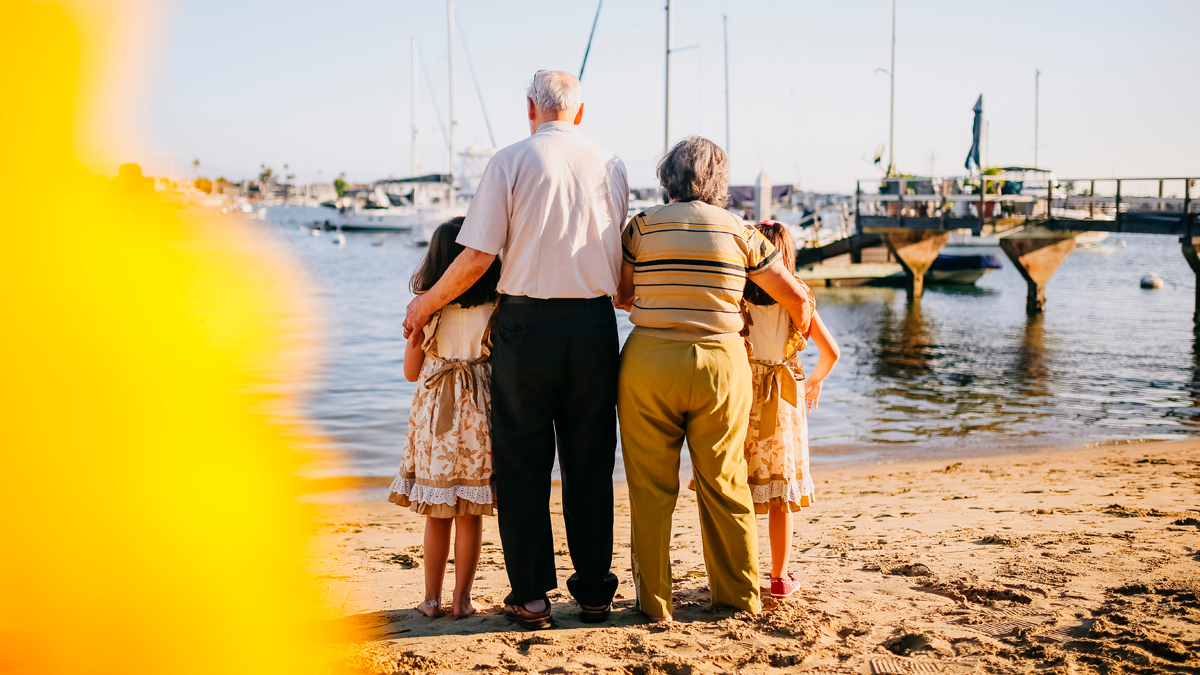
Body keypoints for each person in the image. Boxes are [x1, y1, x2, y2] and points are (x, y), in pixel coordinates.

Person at [401, 70, 629, 629]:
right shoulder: (613, 164)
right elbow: (620, 266)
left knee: (524, 465)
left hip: (525, 327)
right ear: (580, 111)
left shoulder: (509, 161)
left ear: (530, 107)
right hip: (595, 326)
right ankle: (596, 592)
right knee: (590, 463)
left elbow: (477, 257)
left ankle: (529, 596)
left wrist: (426, 303)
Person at [614, 136, 815, 622]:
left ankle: (654, 602)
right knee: (725, 484)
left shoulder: (639, 226)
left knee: (650, 489)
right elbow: (798, 300)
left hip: (648, 364)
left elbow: (621, 295)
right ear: (720, 182)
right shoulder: (742, 233)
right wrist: (794, 345)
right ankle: (736, 597)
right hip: (723, 366)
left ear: (668, 176)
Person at [388, 217, 502, 620]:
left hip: (436, 411)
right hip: (479, 412)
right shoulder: (496, 304)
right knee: (470, 513)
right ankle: (463, 601)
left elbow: (411, 372)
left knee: (438, 515)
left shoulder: (427, 310)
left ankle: (431, 600)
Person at [740, 221, 840, 599]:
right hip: (784, 400)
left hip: (747, 394)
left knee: (744, 491)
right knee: (781, 497)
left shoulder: (738, 298)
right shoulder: (799, 298)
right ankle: (780, 578)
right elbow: (832, 352)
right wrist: (814, 381)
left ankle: (744, 574)